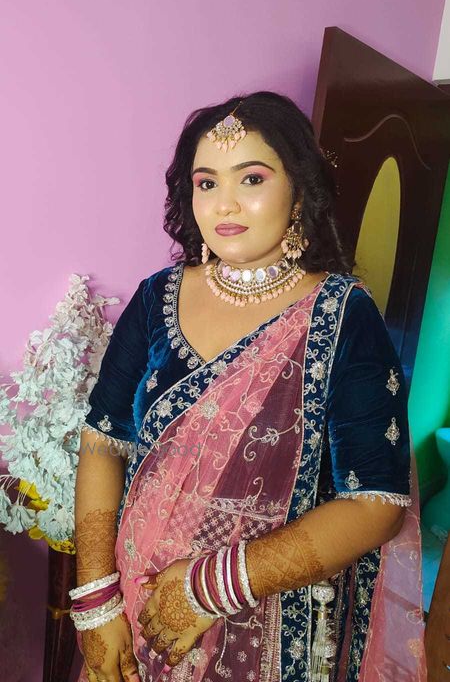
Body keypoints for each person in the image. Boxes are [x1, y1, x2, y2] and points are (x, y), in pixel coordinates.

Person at [73, 91, 426, 682]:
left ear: (299, 191)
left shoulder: (342, 315)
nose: (225, 203)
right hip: (137, 605)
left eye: (253, 178)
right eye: (206, 183)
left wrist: (208, 588)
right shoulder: (157, 297)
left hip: (267, 623)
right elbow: (102, 441)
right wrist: (96, 601)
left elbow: (376, 505)